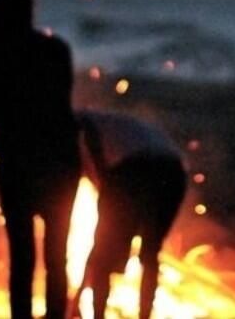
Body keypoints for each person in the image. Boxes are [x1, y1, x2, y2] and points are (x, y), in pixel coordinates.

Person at [0, 0, 80, 319]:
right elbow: (63, 101)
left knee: (22, 257)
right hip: (60, 161)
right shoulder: (55, 49)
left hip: (16, 162)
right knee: (56, 256)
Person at [76, 110, 187, 319]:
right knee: (150, 252)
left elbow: (91, 139)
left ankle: (98, 316)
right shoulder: (119, 123)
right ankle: (144, 316)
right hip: (173, 171)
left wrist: (105, 180)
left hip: (132, 171)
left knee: (104, 259)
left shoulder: (76, 124)